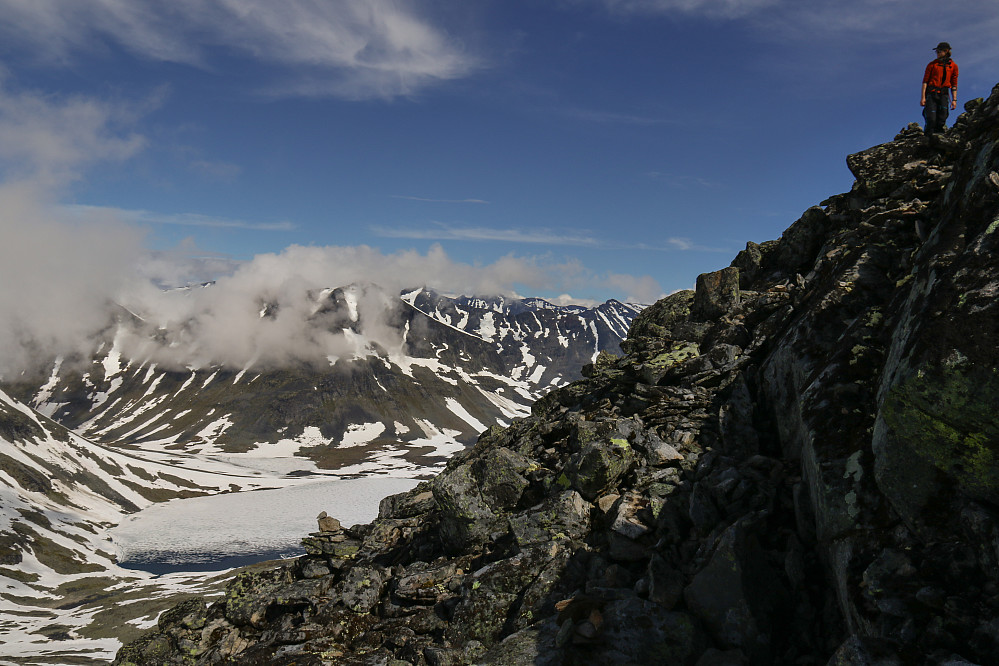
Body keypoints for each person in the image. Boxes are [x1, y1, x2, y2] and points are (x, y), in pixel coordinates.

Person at [921, 42, 959, 136]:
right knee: (931, 118)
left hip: (944, 94)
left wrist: (954, 100)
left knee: (943, 117)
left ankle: (939, 138)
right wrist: (923, 97)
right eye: (936, 51)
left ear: (946, 51)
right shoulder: (932, 65)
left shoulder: (953, 66)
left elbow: (954, 83)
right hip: (931, 93)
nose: (937, 53)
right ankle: (928, 137)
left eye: (939, 51)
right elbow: (925, 81)